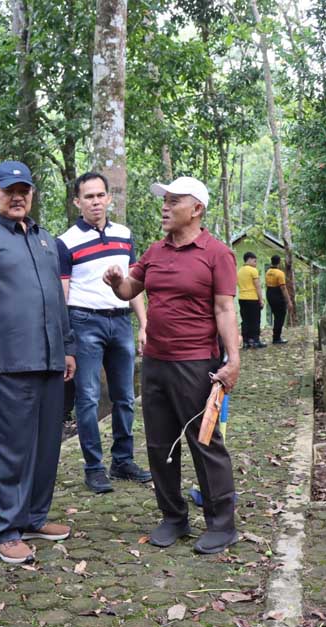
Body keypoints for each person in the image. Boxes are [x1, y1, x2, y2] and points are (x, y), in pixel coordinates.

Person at [104, 176, 242, 555]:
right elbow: (130, 290)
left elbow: (225, 309)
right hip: (155, 362)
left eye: (173, 201)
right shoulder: (156, 251)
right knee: (159, 443)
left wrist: (233, 360)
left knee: (204, 442)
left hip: (196, 363)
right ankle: (173, 517)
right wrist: (116, 282)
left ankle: (222, 524)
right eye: (164, 201)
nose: (165, 207)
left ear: (196, 208)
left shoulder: (217, 254)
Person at [0, 161, 77, 564]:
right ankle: (4, 531)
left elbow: (56, 299)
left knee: (45, 447)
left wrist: (68, 347)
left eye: (23, 190)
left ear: (32, 193)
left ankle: (32, 518)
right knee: (8, 451)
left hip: (49, 360)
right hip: (5, 364)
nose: (17, 197)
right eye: (9, 190)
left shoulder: (45, 240)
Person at [57, 172, 151, 494]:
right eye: (89, 196)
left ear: (109, 198)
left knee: (125, 396)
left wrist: (144, 324)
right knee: (88, 397)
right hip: (84, 322)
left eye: (100, 195)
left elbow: (133, 284)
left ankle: (123, 460)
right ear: (77, 201)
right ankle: (94, 467)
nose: (95, 202)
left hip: (121, 320)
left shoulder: (124, 235)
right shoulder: (66, 241)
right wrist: (66, 340)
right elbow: (62, 294)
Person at [237, 251, 265, 349]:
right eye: (254, 261)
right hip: (252, 298)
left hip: (242, 299)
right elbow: (258, 286)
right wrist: (261, 300)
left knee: (245, 320)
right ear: (248, 259)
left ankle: (246, 341)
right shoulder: (253, 270)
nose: (255, 263)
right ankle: (256, 341)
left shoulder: (239, 271)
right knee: (255, 320)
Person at [265, 255, 288, 344]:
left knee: (276, 315)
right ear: (279, 262)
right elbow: (283, 288)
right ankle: (276, 338)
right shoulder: (280, 273)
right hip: (278, 294)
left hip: (269, 293)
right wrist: (288, 300)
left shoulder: (268, 272)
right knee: (280, 316)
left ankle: (276, 336)